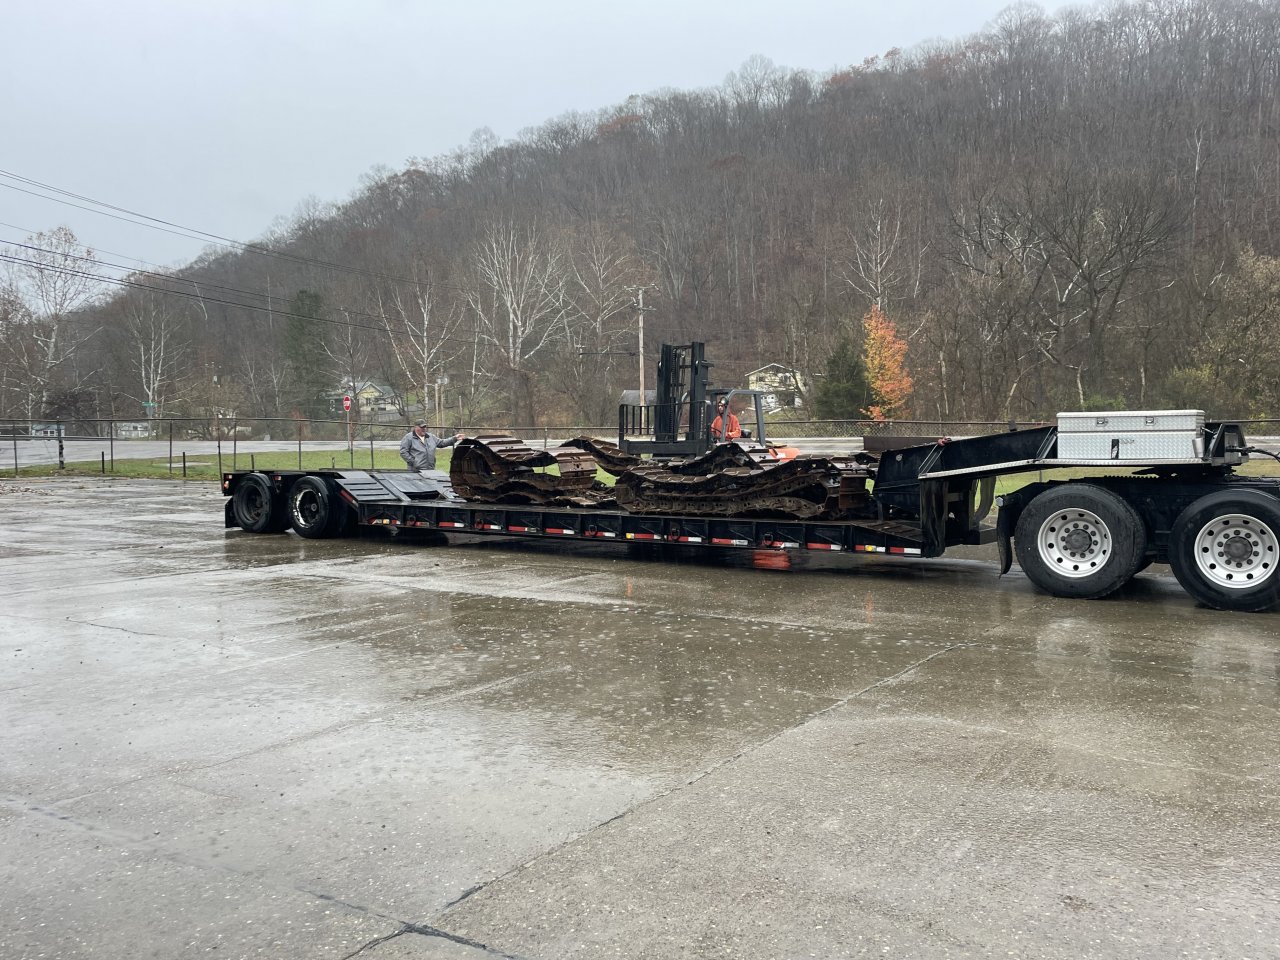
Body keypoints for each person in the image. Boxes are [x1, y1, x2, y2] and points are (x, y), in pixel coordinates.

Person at [400, 420, 465, 472]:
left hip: (430, 470)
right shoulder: (408, 438)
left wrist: (454, 438)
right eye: (422, 427)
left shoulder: (431, 437)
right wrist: (414, 462)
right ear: (415, 428)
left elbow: (442, 443)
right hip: (415, 471)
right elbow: (403, 452)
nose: (424, 429)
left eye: (425, 427)